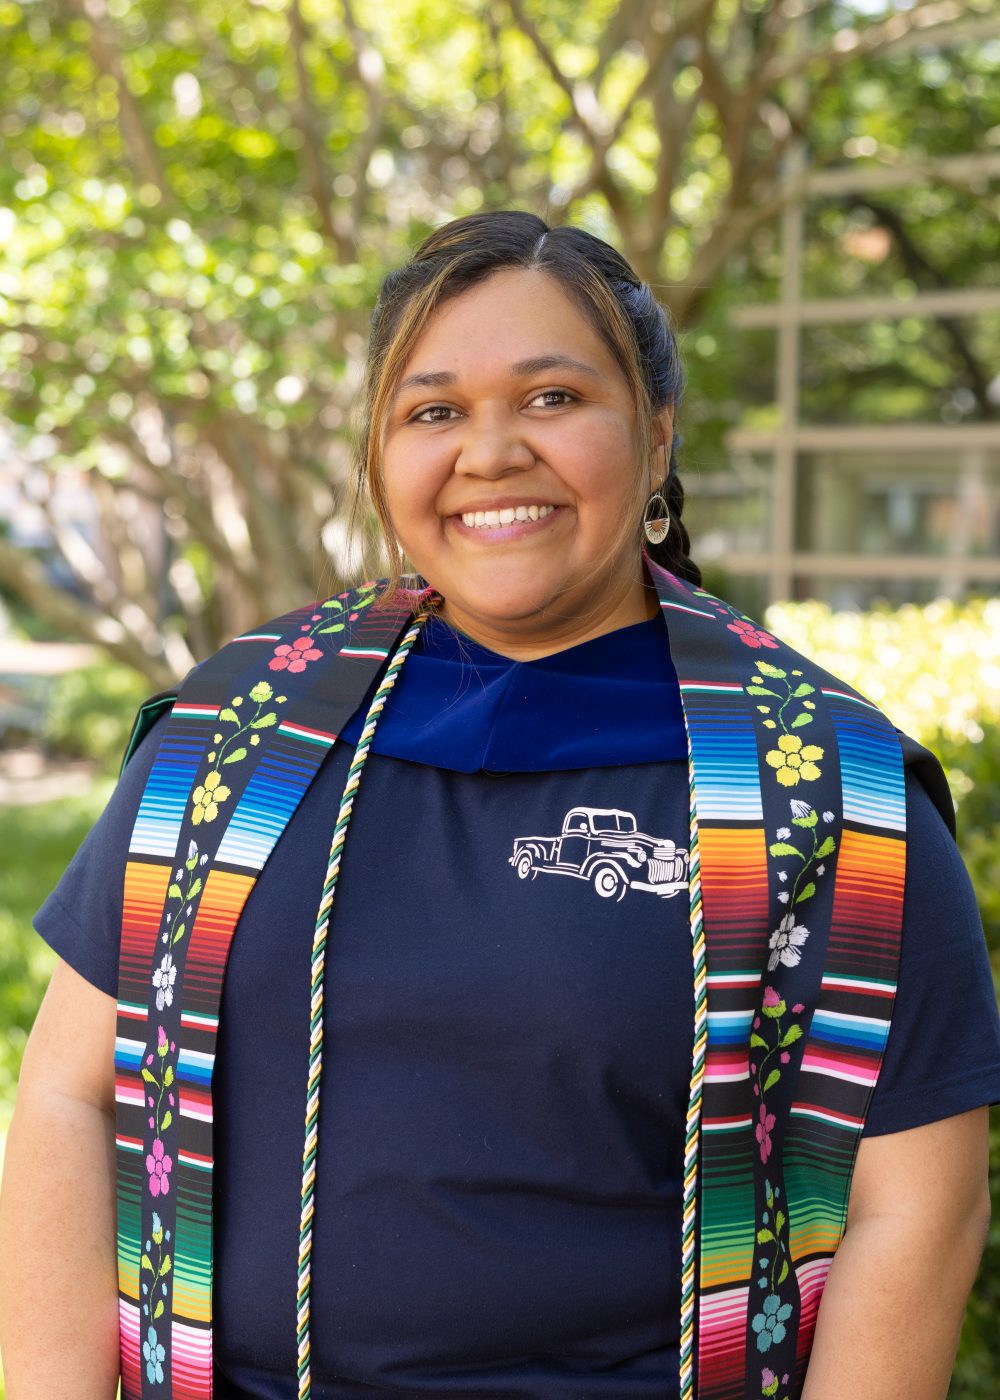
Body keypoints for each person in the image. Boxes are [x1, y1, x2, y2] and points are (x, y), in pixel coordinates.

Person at [1, 210, 998, 1400]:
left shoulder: (824, 789)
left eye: (552, 398)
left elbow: (915, 1209)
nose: (489, 452)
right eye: (433, 411)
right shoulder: (232, 737)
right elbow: (70, 1092)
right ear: (381, 457)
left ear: (656, 433)